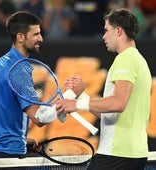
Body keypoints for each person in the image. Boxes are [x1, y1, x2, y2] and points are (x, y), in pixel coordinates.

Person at [56, 8, 152, 170]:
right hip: (134, 154)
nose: (104, 36)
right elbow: (111, 113)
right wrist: (81, 97)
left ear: (119, 31)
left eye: (107, 30)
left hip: (116, 154)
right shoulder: (139, 60)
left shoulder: (125, 59)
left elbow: (118, 103)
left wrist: (75, 104)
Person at [0, 11, 84, 158]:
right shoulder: (18, 69)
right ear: (20, 37)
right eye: (36, 34)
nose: (41, 39)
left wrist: (21, 139)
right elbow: (39, 118)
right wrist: (73, 94)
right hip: (7, 153)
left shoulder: (2, 62)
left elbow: (5, 109)